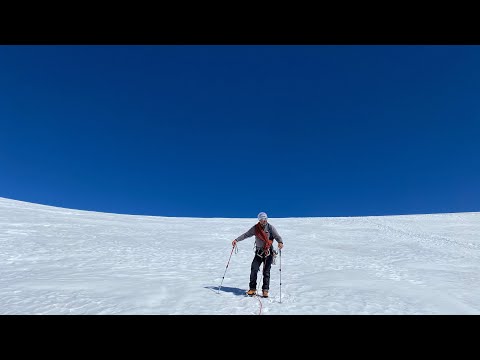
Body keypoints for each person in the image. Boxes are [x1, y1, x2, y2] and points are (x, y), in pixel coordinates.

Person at [232, 212, 284, 298]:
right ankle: (252, 289)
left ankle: (265, 290)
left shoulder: (270, 228)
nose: (264, 221)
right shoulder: (255, 228)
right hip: (259, 253)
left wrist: (280, 242)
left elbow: (277, 236)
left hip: (269, 253)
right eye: (262, 219)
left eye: (265, 219)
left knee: (266, 272)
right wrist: (236, 240)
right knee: (254, 269)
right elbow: (246, 235)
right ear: (259, 220)